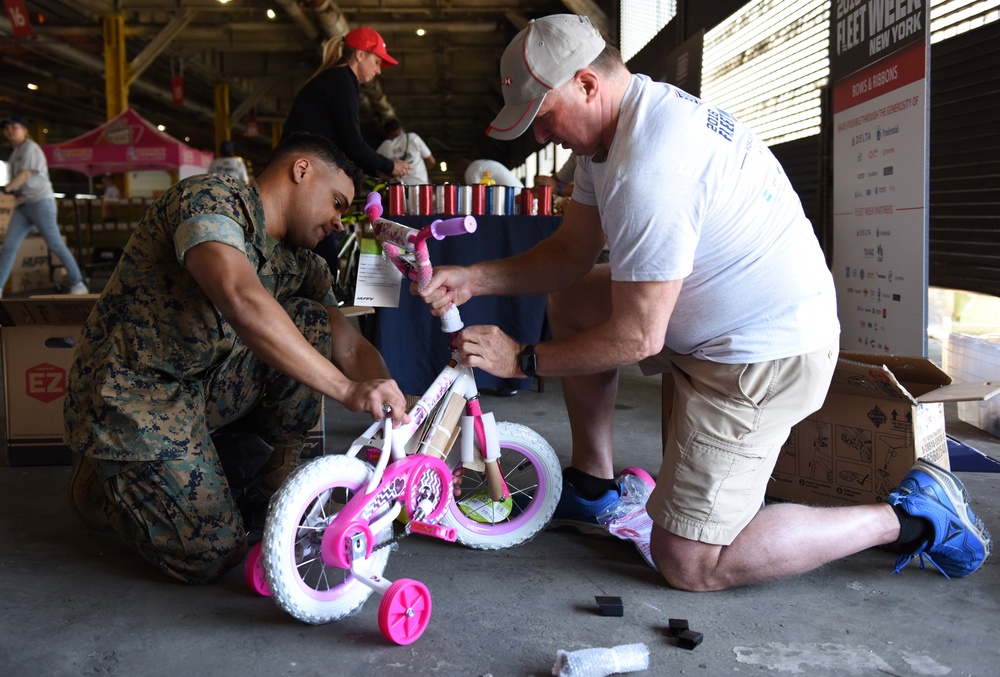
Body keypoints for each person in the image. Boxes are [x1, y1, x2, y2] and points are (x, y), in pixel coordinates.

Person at [417, 15, 991, 591]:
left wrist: (523, 359)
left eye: (543, 119)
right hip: (713, 323)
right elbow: (570, 254)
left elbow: (638, 338)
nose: (541, 137)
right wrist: (474, 278)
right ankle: (594, 488)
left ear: (587, 83)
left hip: (760, 359)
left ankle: (912, 517)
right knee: (577, 296)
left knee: (690, 563)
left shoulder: (652, 163)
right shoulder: (609, 139)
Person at [64, 132, 410, 585]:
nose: (338, 222)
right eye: (336, 203)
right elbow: (240, 298)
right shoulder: (211, 199)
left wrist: (396, 419)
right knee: (210, 555)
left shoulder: (302, 262)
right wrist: (346, 390)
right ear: (301, 170)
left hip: (198, 388)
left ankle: (267, 492)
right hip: (131, 395)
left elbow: (350, 346)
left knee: (311, 322)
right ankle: (105, 473)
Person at [282, 27, 409, 181]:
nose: (378, 71)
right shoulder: (342, 81)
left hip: (296, 161)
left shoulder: (337, 78)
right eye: (376, 62)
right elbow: (353, 144)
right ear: (360, 55)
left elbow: (345, 144)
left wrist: (376, 170)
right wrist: (390, 166)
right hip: (298, 165)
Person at [0, 115, 88, 296]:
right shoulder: (15, 152)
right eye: (6, 128)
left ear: (24, 130)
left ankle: (78, 282)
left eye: (14, 127)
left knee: (55, 243)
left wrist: (5, 189)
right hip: (23, 205)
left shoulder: (30, 148)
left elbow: (25, 175)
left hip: (40, 202)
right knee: (9, 245)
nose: (9, 131)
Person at [376, 119, 435, 185]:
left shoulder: (383, 147)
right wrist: (419, 170)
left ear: (386, 133)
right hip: (419, 184)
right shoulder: (412, 137)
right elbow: (431, 161)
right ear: (400, 128)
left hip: (396, 187)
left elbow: (378, 171)